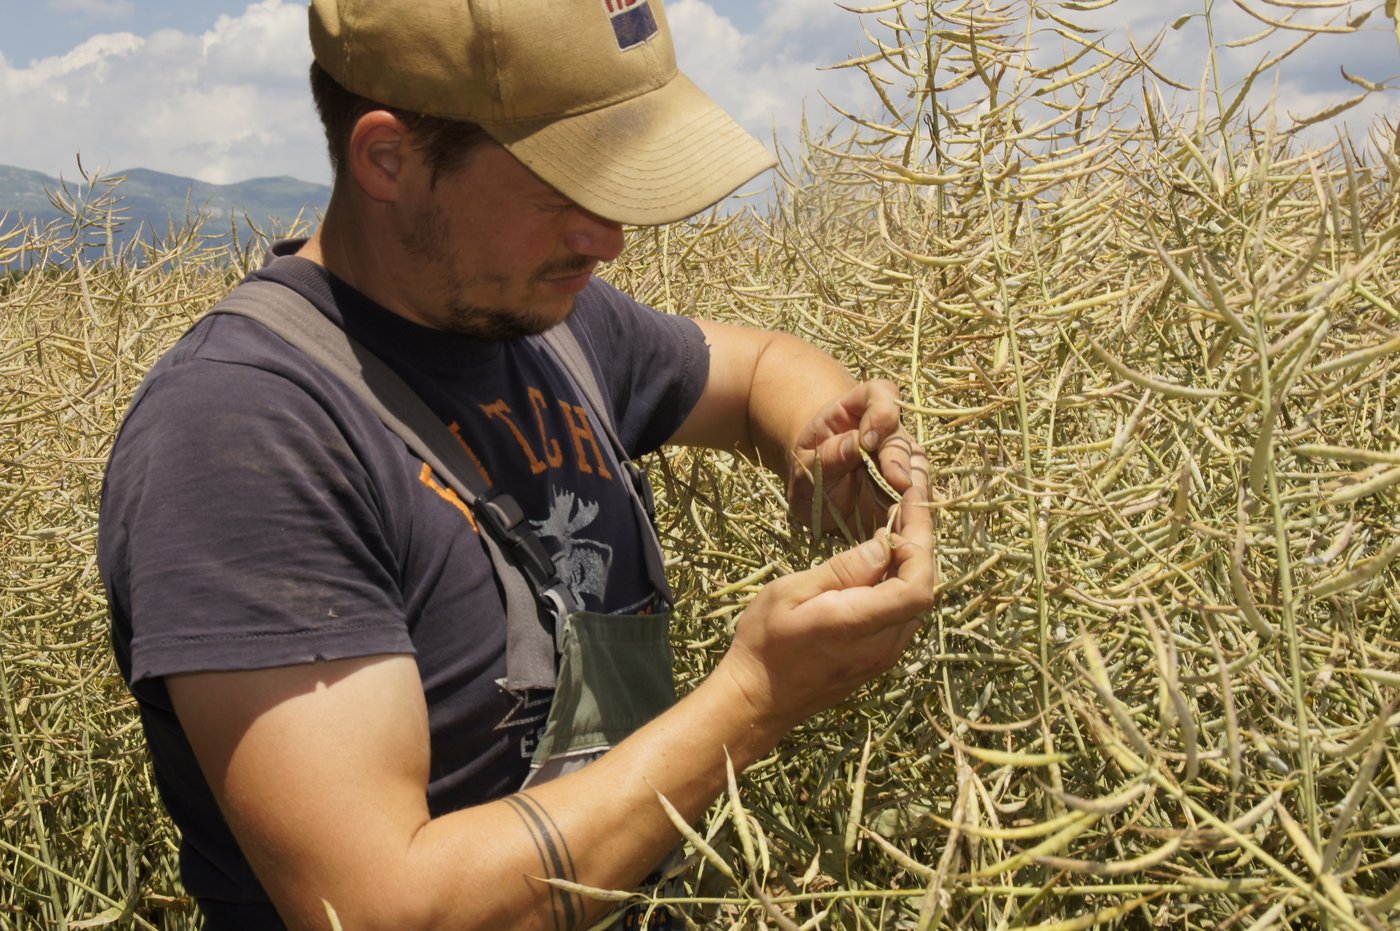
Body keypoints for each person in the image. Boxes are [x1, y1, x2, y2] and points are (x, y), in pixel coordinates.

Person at [97, 0, 934, 928]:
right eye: (565, 186)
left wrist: (825, 441)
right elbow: (385, 910)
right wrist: (754, 700)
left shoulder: (551, 323)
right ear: (387, 157)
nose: (609, 237)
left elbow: (758, 369)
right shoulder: (243, 435)